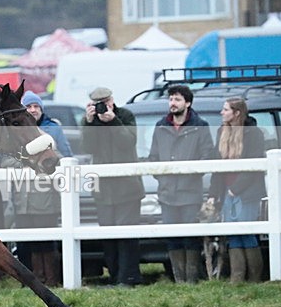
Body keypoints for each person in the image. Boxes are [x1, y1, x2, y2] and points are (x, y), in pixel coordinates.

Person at [148, 85, 215, 284]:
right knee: (172, 237)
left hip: (190, 192)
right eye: (170, 99)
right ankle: (179, 280)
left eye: (177, 99)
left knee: (190, 237)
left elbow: (207, 156)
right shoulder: (160, 126)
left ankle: (191, 279)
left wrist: (189, 176)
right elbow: (153, 157)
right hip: (167, 192)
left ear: (187, 103)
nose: (172, 103)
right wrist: (162, 177)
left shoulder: (200, 126)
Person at [81, 87, 144, 287]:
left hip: (127, 187)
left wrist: (113, 121)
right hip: (104, 190)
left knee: (127, 236)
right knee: (107, 237)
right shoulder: (90, 122)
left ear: (112, 100)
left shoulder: (125, 115)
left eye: (105, 101)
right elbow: (88, 148)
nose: (102, 106)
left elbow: (128, 142)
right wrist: (90, 123)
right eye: (98, 103)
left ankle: (129, 278)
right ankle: (115, 276)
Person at [8, 90, 72, 286]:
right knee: (26, 243)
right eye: (29, 106)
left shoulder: (53, 130)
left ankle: (50, 280)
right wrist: (26, 164)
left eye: (36, 106)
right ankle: (32, 281)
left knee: (47, 241)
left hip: (45, 196)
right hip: (22, 197)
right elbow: (6, 159)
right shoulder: (14, 132)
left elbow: (65, 157)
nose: (33, 110)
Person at [207, 98, 266, 283]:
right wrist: (213, 194)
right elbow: (217, 167)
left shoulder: (254, 134)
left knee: (246, 231)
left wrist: (236, 189)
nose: (221, 113)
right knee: (233, 233)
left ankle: (254, 278)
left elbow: (255, 165)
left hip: (247, 191)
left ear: (237, 112)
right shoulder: (221, 132)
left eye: (225, 109)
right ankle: (237, 277)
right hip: (226, 190)